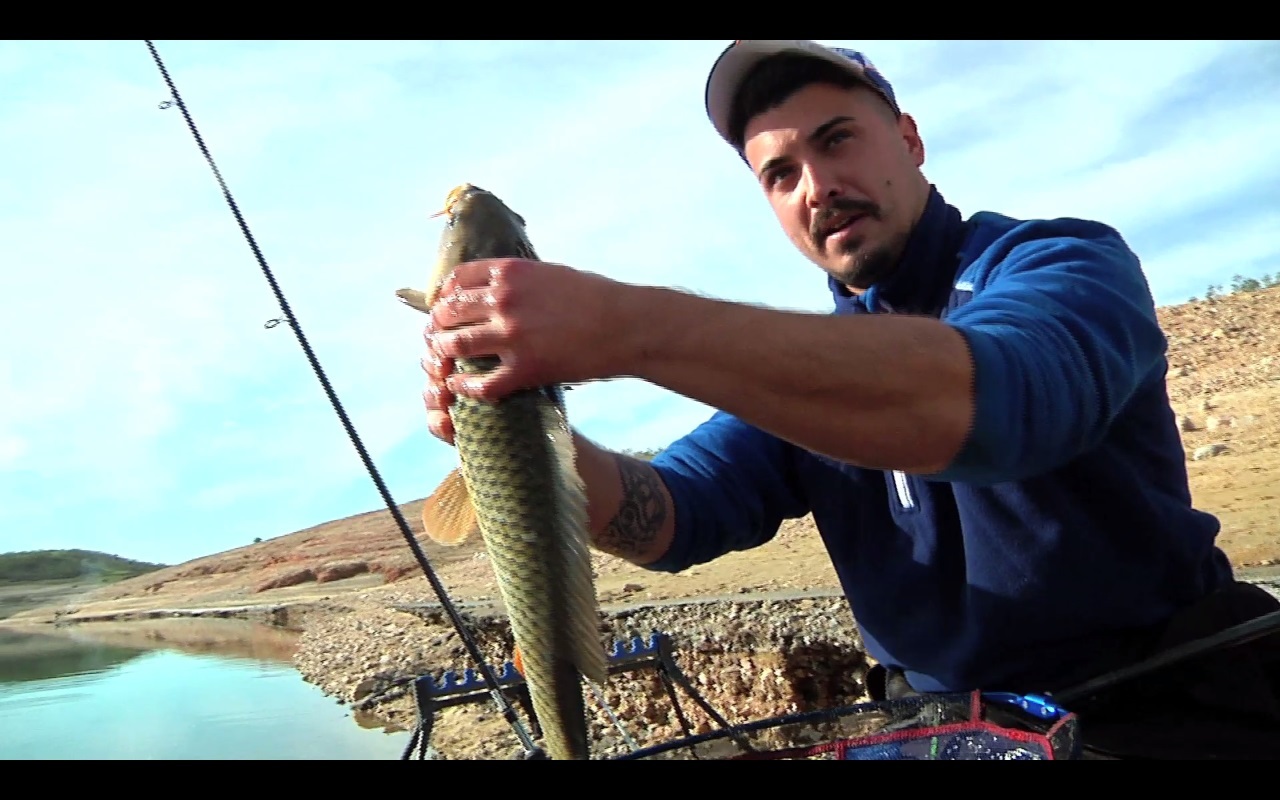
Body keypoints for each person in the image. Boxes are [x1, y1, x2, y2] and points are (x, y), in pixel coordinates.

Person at [418, 40, 1280, 758]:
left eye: (837, 141)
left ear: (909, 139)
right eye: (780, 173)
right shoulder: (794, 376)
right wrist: (522, 445)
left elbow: (1003, 396)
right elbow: (672, 514)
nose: (815, 187)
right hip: (941, 736)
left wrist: (622, 327)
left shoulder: (1064, 264)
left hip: (1167, 720)